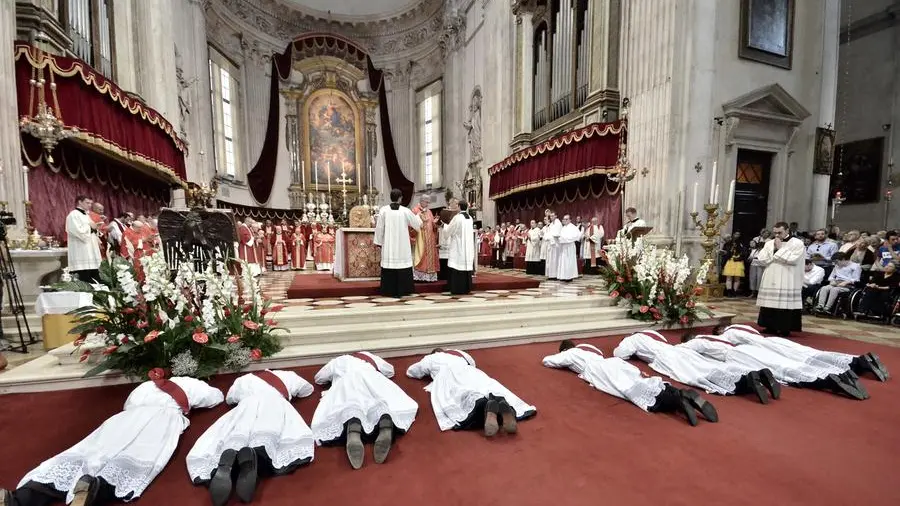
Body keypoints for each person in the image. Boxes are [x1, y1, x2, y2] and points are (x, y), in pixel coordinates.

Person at [1, 377, 223, 506]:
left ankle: (21, 497)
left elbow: (129, 404)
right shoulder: (191, 383)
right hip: (160, 421)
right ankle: (94, 487)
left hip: (121, 421)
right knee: (133, 462)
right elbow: (215, 397)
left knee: (88, 452)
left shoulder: (144, 386)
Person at [187, 370, 314, 506]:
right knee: (271, 433)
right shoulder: (289, 375)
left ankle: (230, 456)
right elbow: (307, 389)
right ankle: (257, 455)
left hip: (246, 406)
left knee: (235, 432)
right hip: (276, 404)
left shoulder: (242, 380)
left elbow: (230, 399)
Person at [543, 340, 717, 426]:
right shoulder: (592, 349)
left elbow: (548, 361)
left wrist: (563, 355)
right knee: (643, 382)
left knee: (631, 391)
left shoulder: (571, 353)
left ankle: (678, 400)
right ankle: (679, 392)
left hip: (600, 370)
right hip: (614, 363)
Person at [680, 331, 867, 400]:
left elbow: (682, 350)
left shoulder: (697, 341)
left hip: (739, 356)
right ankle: (837, 372)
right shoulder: (724, 336)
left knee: (783, 372)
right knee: (786, 363)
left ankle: (827, 381)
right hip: (750, 349)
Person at [311, 351, 418, 469]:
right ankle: (385, 420)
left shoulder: (338, 361)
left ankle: (353, 428)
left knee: (350, 405)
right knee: (378, 401)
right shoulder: (370, 357)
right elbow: (390, 370)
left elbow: (319, 378)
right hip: (372, 378)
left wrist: (334, 376)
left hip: (347, 381)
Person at [612, 329, 774, 404]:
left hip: (667, 357)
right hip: (678, 350)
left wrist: (623, 345)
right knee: (706, 365)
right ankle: (751, 376)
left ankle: (743, 384)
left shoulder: (632, 339)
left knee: (696, 375)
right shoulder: (653, 333)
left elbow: (620, 354)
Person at [406, 348, 536, 436]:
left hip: (447, 374)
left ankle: (485, 405)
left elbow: (413, 371)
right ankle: (500, 402)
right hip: (470, 371)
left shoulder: (431, 358)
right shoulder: (459, 353)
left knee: (461, 394)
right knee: (486, 386)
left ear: (434, 352)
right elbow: (472, 363)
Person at [717, 324, 889, 383]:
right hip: (774, 341)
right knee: (811, 352)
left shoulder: (728, 333)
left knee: (803, 359)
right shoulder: (742, 326)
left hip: (769, 348)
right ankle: (856, 361)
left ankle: (853, 366)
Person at [756, 221, 806, 336]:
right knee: (769, 302)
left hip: (788, 276)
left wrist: (779, 249)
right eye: (775, 233)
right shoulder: (769, 243)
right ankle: (770, 326)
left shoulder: (797, 243)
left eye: (780, 232)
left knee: (784, 304)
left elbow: (793, 260)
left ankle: (784, 328)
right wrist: (774, 249)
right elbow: (762, 258)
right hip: (771, 274)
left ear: (787, 231)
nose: (777, 235)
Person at [375, 189, 423, 298]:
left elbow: (379, 228)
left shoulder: (384, 210)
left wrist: (378, 242)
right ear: (400, 198)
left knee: (389, 264)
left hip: (389, 245)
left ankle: (388, 290)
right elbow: (417, 224)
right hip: (402, 245)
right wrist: (418, 216)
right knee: (403, 263)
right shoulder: (405, 211)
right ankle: (404, 289)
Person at [66, 195, 102, 283]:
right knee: (85, 278)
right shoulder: (73, 215)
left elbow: (91, 228)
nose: (90, 205)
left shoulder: (86, 215)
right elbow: (77, 231)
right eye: (87, 203)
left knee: (95, 277)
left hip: (90, 250)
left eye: (91, 203)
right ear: (79, 202)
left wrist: (95, 228)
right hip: (81, 251)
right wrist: (92, 227)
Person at [445, 201, 476, 295]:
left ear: (459, 207)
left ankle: (457, 288)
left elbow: (450, 230)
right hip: (468, 246)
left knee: (457, 265)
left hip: (458, 245)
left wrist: (445, 226)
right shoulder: (470, 218)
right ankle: (466, 288)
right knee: (465, 266)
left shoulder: (457, 218)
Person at [411, 195, 439, 282]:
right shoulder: (415, 210)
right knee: (421, 255)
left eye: (428, 202)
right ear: (422, 201)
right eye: (427, 202)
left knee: (430, 256)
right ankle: (420, 275)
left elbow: (432, 225)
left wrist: (434, 223)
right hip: (421, 238)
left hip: (430, 238)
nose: (428, 204)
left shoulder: (429, 212)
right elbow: (411, 225)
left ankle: (429, 276)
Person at [557, 215, 581, 282]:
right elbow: (560, 236)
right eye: (564, 219)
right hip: (563, 247)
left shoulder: (573, 227)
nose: (565, 220)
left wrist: (565, 239)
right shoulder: (563, 228)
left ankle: (569, 276)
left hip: (569, 246)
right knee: (563, 261)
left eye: (566, 219)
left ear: (570, 220)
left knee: (569, 261)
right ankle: (563, 276)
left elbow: (577, 236)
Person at [722, 232, 747, 297]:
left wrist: (739, 258)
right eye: (727, 238)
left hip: (738, 261)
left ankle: (734, 291)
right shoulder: (727, 245)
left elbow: (744, 253)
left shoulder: (741, 244)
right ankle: (729, 291)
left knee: (737, 278)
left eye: (729, 237)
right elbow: (725, 253)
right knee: (729, 277)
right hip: (730, 261)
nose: (729, 239)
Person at [544, 211, 562, 279]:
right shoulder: (551, 224)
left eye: (552, 216)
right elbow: (548, 232)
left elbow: (557, 234)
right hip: (550, 244)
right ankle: (551, 275)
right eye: (550, 216)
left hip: (555, 244)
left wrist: (549, 236)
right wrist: (546, 236)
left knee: (555, 259)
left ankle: (555, 275)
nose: (551, 217)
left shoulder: (558, 223)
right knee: (550, 260)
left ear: (556, 216)